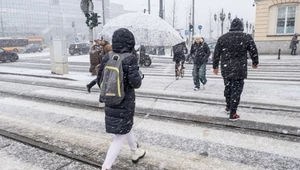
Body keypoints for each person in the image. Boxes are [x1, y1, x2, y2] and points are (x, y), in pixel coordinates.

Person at [97, 28, 145, 170]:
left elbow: (99, 78)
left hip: (111, 99)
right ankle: (106, 166)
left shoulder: (107, 56)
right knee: (119, 135)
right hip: (125, 101)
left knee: (125, 127)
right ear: (130, 42)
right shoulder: (130, 58)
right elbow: (136, 83)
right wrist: (139, 75)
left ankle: (135, 151)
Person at [213, 18, 259, 121]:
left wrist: (215, 66)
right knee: (237, 90)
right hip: (239, 68)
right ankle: (233, 113)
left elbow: (216, 54)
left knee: (228, 87)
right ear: (241, 26)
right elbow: (253, 51)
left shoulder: (222, 38)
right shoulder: (246, 37)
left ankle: (228, 106)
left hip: (226, 68)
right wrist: (255, 62)